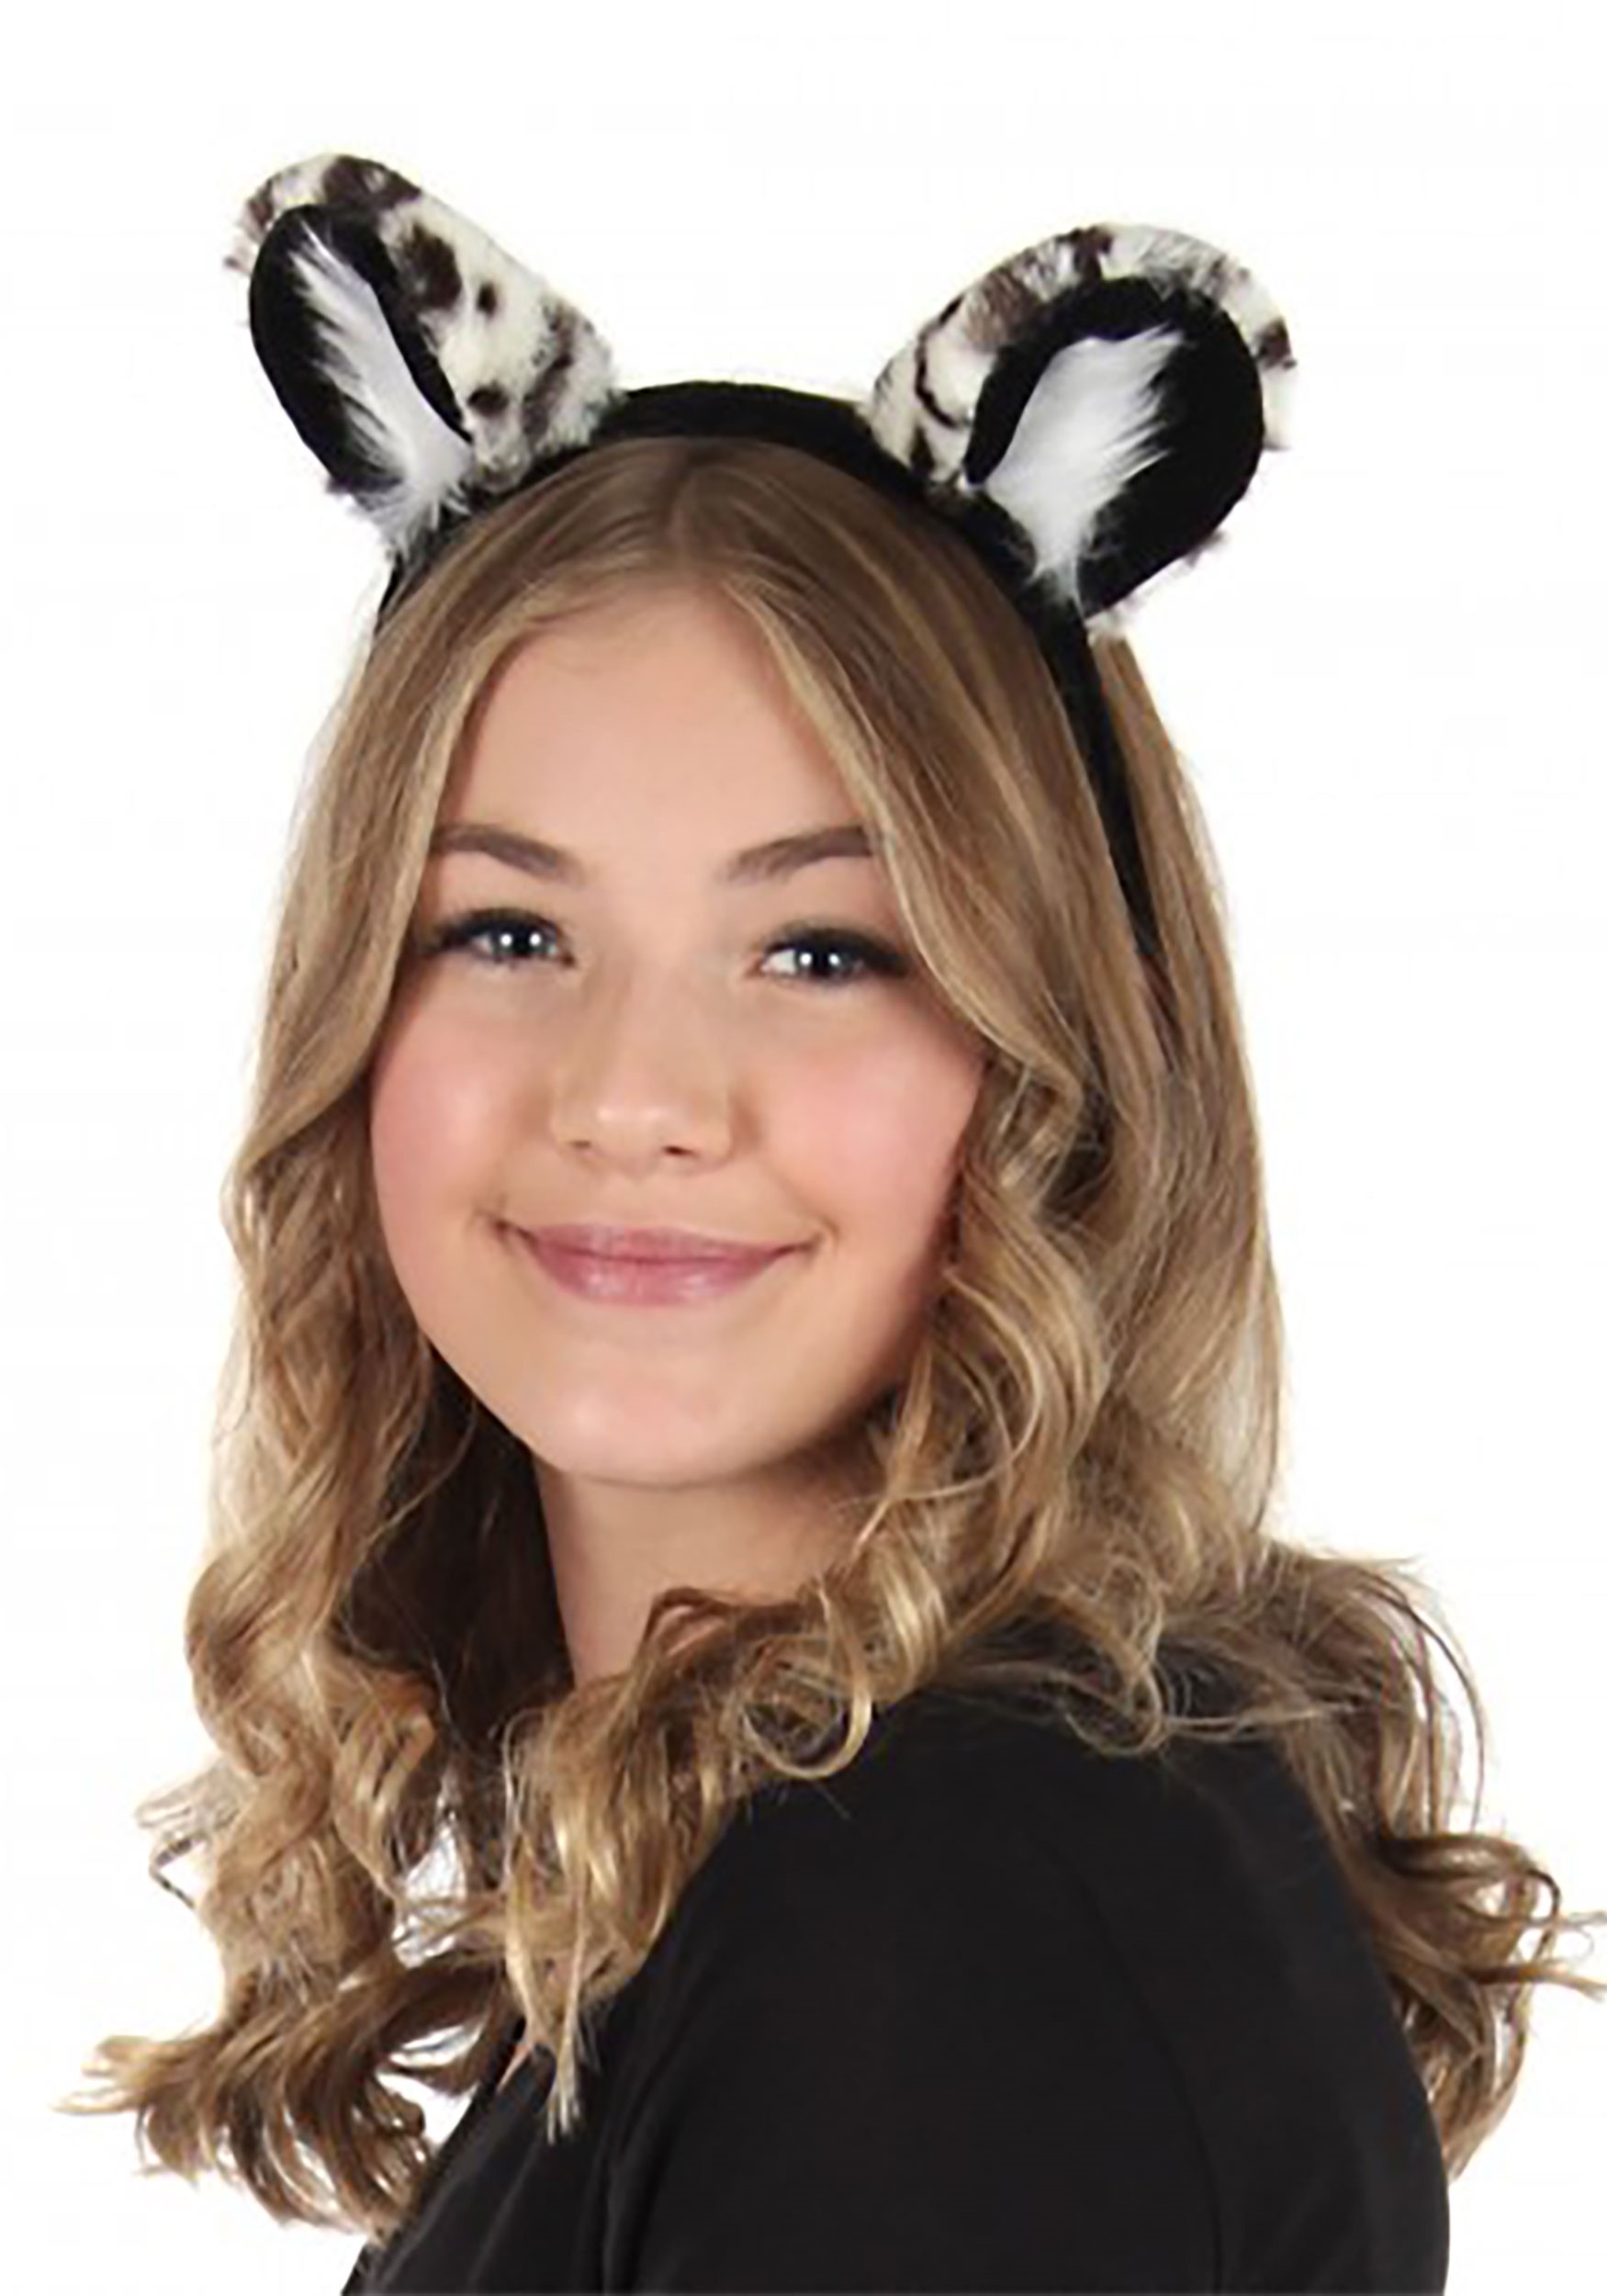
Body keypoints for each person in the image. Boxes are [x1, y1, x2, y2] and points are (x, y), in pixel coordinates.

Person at [55, 150, 1604, 2292]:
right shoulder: (862, 1846)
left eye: (820, 951)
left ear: (1055, 1059)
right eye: (504, 929)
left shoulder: (937, 1920)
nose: (634, 1096)